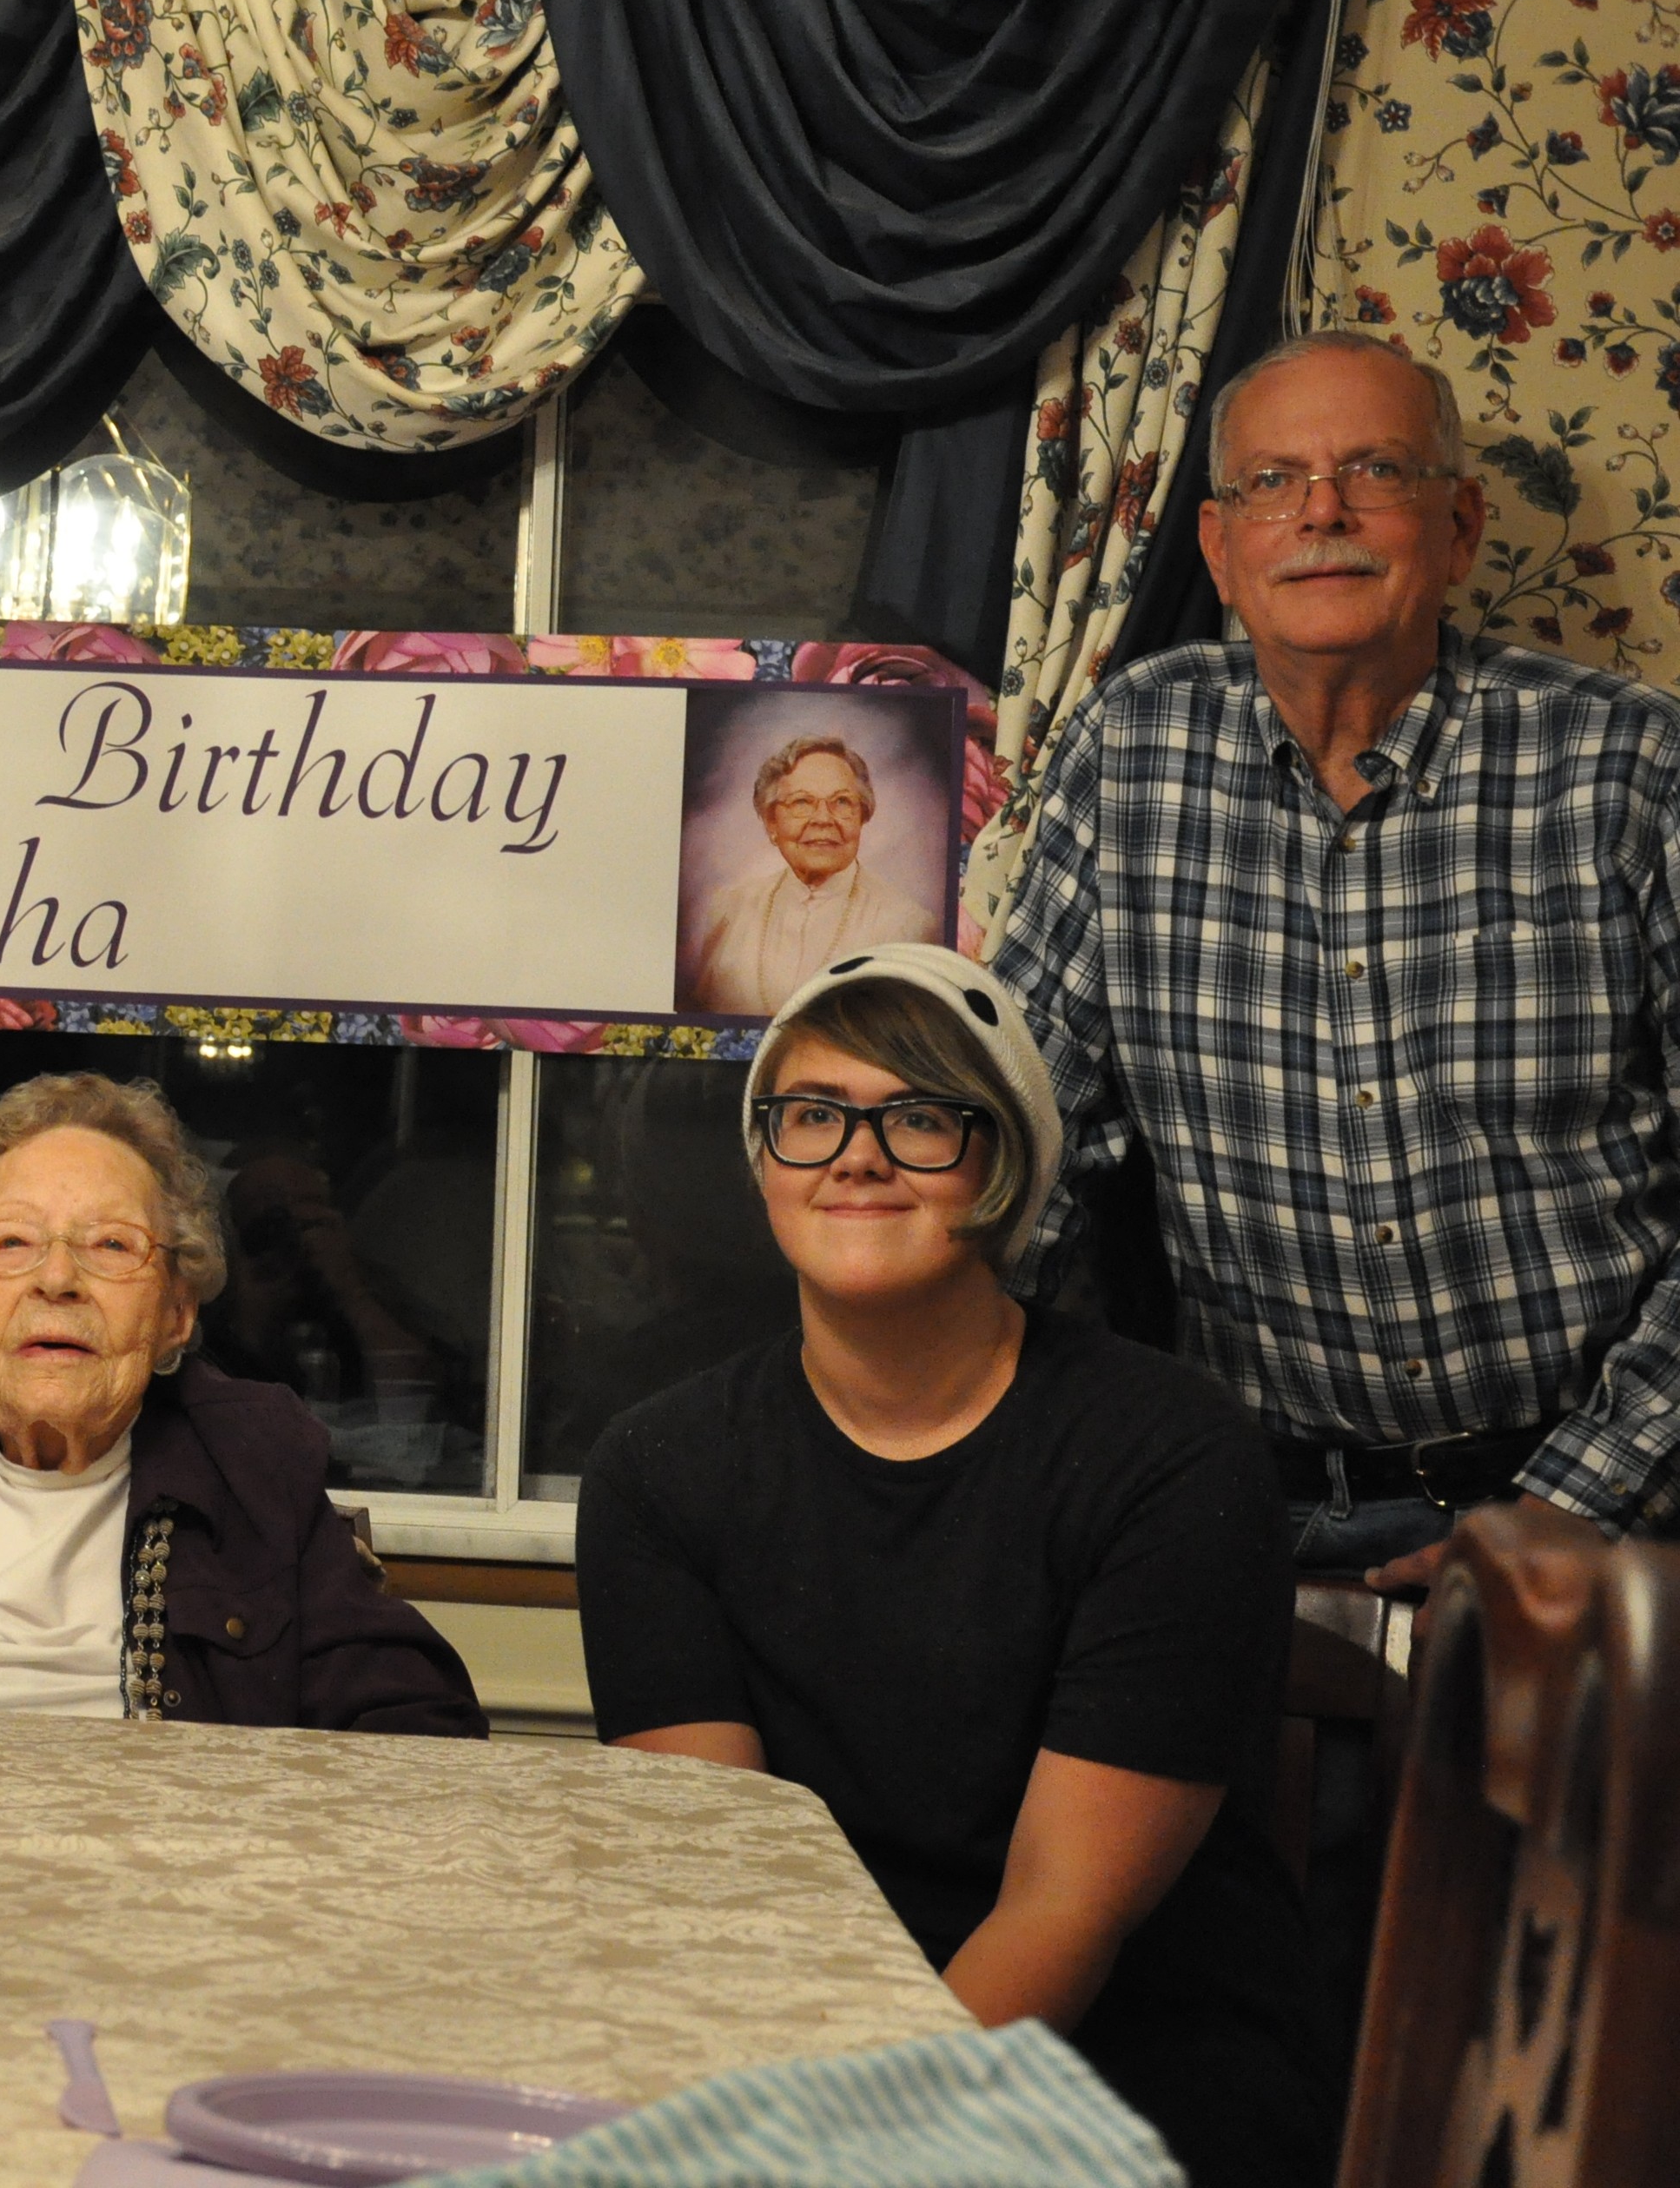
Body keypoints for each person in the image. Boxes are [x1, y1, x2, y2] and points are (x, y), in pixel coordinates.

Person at [577, 945, 1330, 2187]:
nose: (856, 1157)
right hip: (795, 2058)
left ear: (1007, 1165)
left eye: (920, 1118)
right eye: (812, 1115)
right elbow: (726, 1892)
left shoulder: (1172, 1455)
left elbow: (1062, 1910)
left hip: (1125, 2074)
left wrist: (856, 2152)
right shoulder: (656, 1471)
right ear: (763, 1158)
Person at [993, 327, 1675, 1582]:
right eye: (1273, 481)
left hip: (1592, 1515)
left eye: (1377, 471)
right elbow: (1025, 1136)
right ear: (1218, 546)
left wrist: (1582, 1505)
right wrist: (956, 1434)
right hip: (1238, 1506)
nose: (1321, 512)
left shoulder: (1629, 764)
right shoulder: (1130, 749)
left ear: (1459, 527)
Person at [0, 1073, 486, 1732]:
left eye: (111, 1245)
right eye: (13, 1242)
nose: (57, 1280)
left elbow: (424, 1729)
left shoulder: (253, 1467)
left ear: (177, 1312)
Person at [685, 733, 934, 1015]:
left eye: (842, 802)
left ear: (862, 816)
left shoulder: (909, 927)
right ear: (771, 822)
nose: (823, 819)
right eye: (802, 802)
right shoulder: (730, 911)